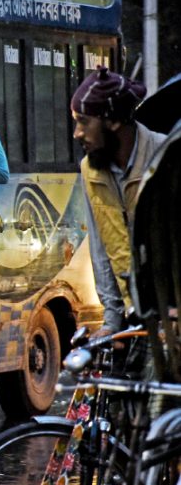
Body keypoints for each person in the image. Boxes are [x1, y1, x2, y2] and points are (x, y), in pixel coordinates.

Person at [71, 66, 166, 339]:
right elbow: (101, 248)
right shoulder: (90, 169)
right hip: (137, 312)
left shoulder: (165, 159)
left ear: (113, 121)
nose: (77, 133)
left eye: (84, 122)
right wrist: (112, 319)